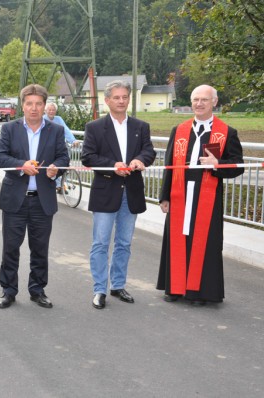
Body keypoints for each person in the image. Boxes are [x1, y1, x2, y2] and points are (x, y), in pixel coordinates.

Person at [157, 85, 244, 304]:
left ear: (214, 102)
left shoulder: (226, 133)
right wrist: (164, 196)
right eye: (195, 99)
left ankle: (200, 291)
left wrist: (218, 164)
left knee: (204, 242)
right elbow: (169, 164)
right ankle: (175, 288)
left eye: (204, 99)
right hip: (179, 194)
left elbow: (238, 166)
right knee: (178, 239)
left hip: (208, 195)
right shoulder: (179, 130)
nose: (199, 104)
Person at [81, 80, 155, 310]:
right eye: (117, 97)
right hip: (106, 192)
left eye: (125, 97)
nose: (121, 101)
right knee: (101, 243)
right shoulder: (94, 127)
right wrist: (113, 165)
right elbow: (88, 157)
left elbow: (149, 151)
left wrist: (139, 160)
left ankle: (118, 285)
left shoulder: (140, 126)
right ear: (107, 100)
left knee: (124, 243)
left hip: (131, 193)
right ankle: (99, 289)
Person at [0, 84, 69, 309]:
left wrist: (58, 168)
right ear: (22, 105)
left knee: (40, 248)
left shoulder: (55, 130)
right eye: (29, 104)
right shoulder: (10, 129)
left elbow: (64, 158)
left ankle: (37, 290)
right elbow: (0, 157)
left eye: (38, 104)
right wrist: (20, 165)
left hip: (42, 200)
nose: (34, 108)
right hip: (15, 200)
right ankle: (8, 291)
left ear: (45, 106)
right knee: (10, 248)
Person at [43, 102, 78, 194]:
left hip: (59, 146)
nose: (51, 111)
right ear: (45, 110)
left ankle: (61, 184)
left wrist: (73, 140)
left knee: (63, 163)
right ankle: (58, 185)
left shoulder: (58, 119)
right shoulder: (42, 119)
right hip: (47, 147)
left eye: (53, 110)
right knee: (52, 165)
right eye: (49, 109)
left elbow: (65, 129)